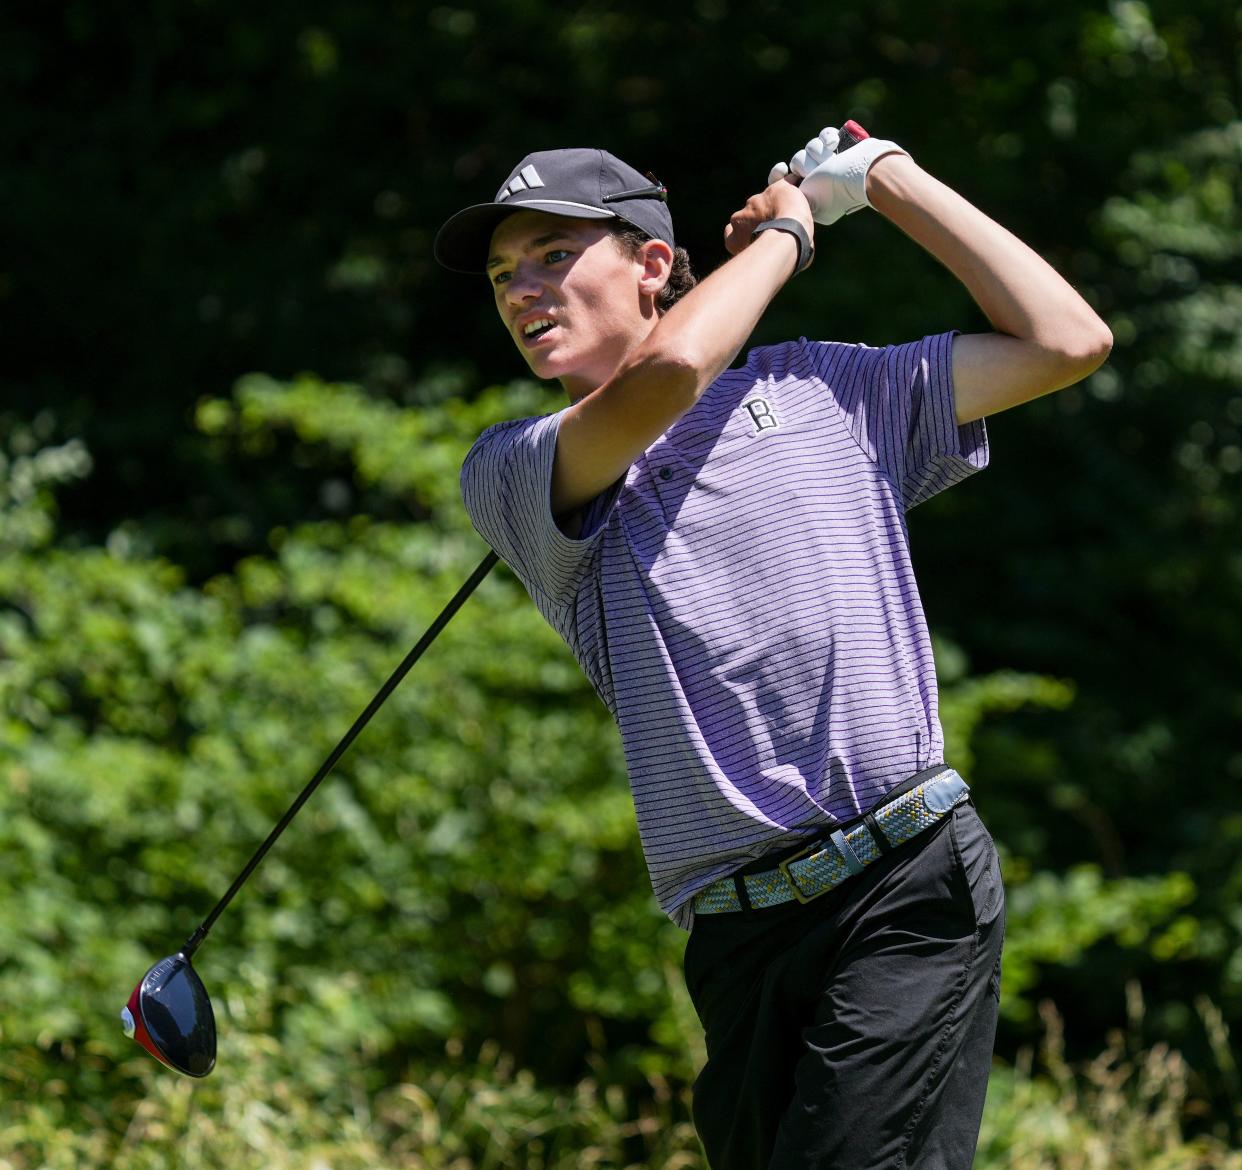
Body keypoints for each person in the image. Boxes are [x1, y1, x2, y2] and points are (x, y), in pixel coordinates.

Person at [433, 127, 1112, 1170]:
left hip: (904, 884)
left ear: (652, 263)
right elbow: (668, 370)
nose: (523, 291)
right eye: (502, 274)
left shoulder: (824, 392)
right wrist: (789, 236)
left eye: (554, 256)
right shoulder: (516, 472)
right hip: (740, 941)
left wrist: (889, 180)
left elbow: (1068, 340)